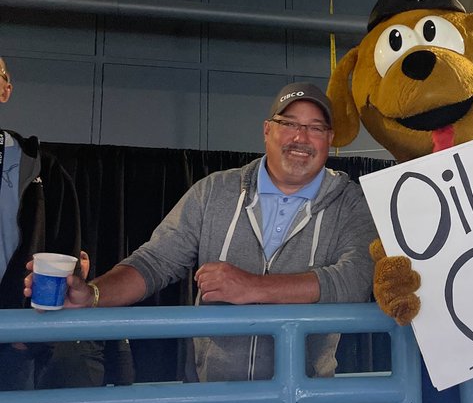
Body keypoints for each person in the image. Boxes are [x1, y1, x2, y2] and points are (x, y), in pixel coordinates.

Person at [33, 83, 376, 383]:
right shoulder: (213, 191)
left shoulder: (350, 202)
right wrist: (91, 295)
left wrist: (252, 287)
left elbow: (357, 279)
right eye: (289, 124)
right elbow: (154, 262)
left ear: (330, 140)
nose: (300, 137)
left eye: (315, 128)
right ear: (267, 130)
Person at [0, 55, 81, 392]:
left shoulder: (42, 168)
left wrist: (33, 335)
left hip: (11, 339)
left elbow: (65, 250)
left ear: (5, 88)